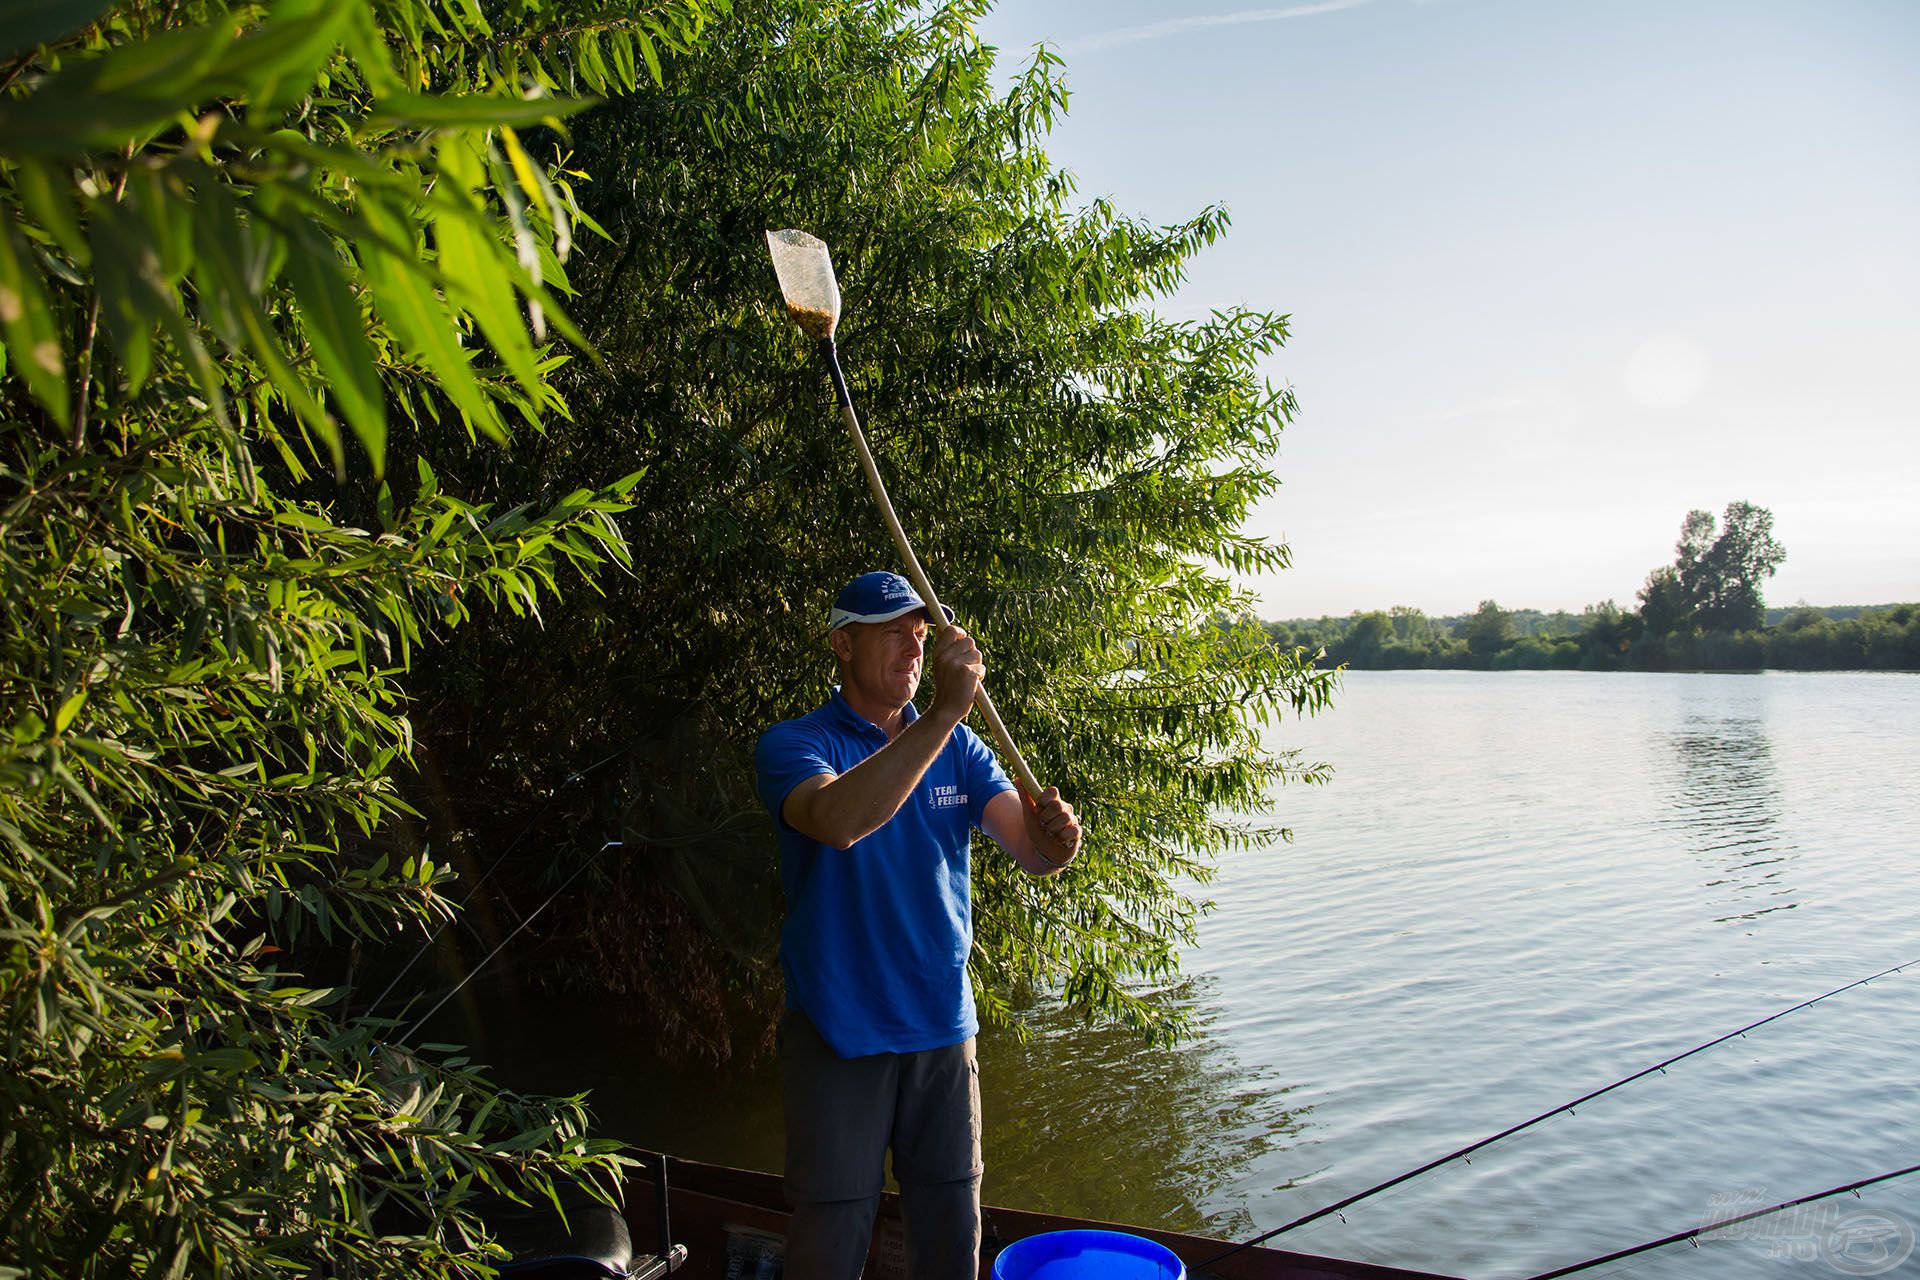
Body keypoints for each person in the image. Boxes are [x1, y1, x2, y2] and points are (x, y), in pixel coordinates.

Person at [754, 570, 1083, 1280]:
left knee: (950, 1240)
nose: (915, 642)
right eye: (894, 628)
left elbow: (1032, 851)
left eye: (922, 630)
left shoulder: (960, 749)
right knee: (829, 1242)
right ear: (843, 644)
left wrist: (1059, 840)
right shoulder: (794, 745)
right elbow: (839, 821)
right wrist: (941, 715)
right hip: (839, 1034)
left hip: (942, 1029)